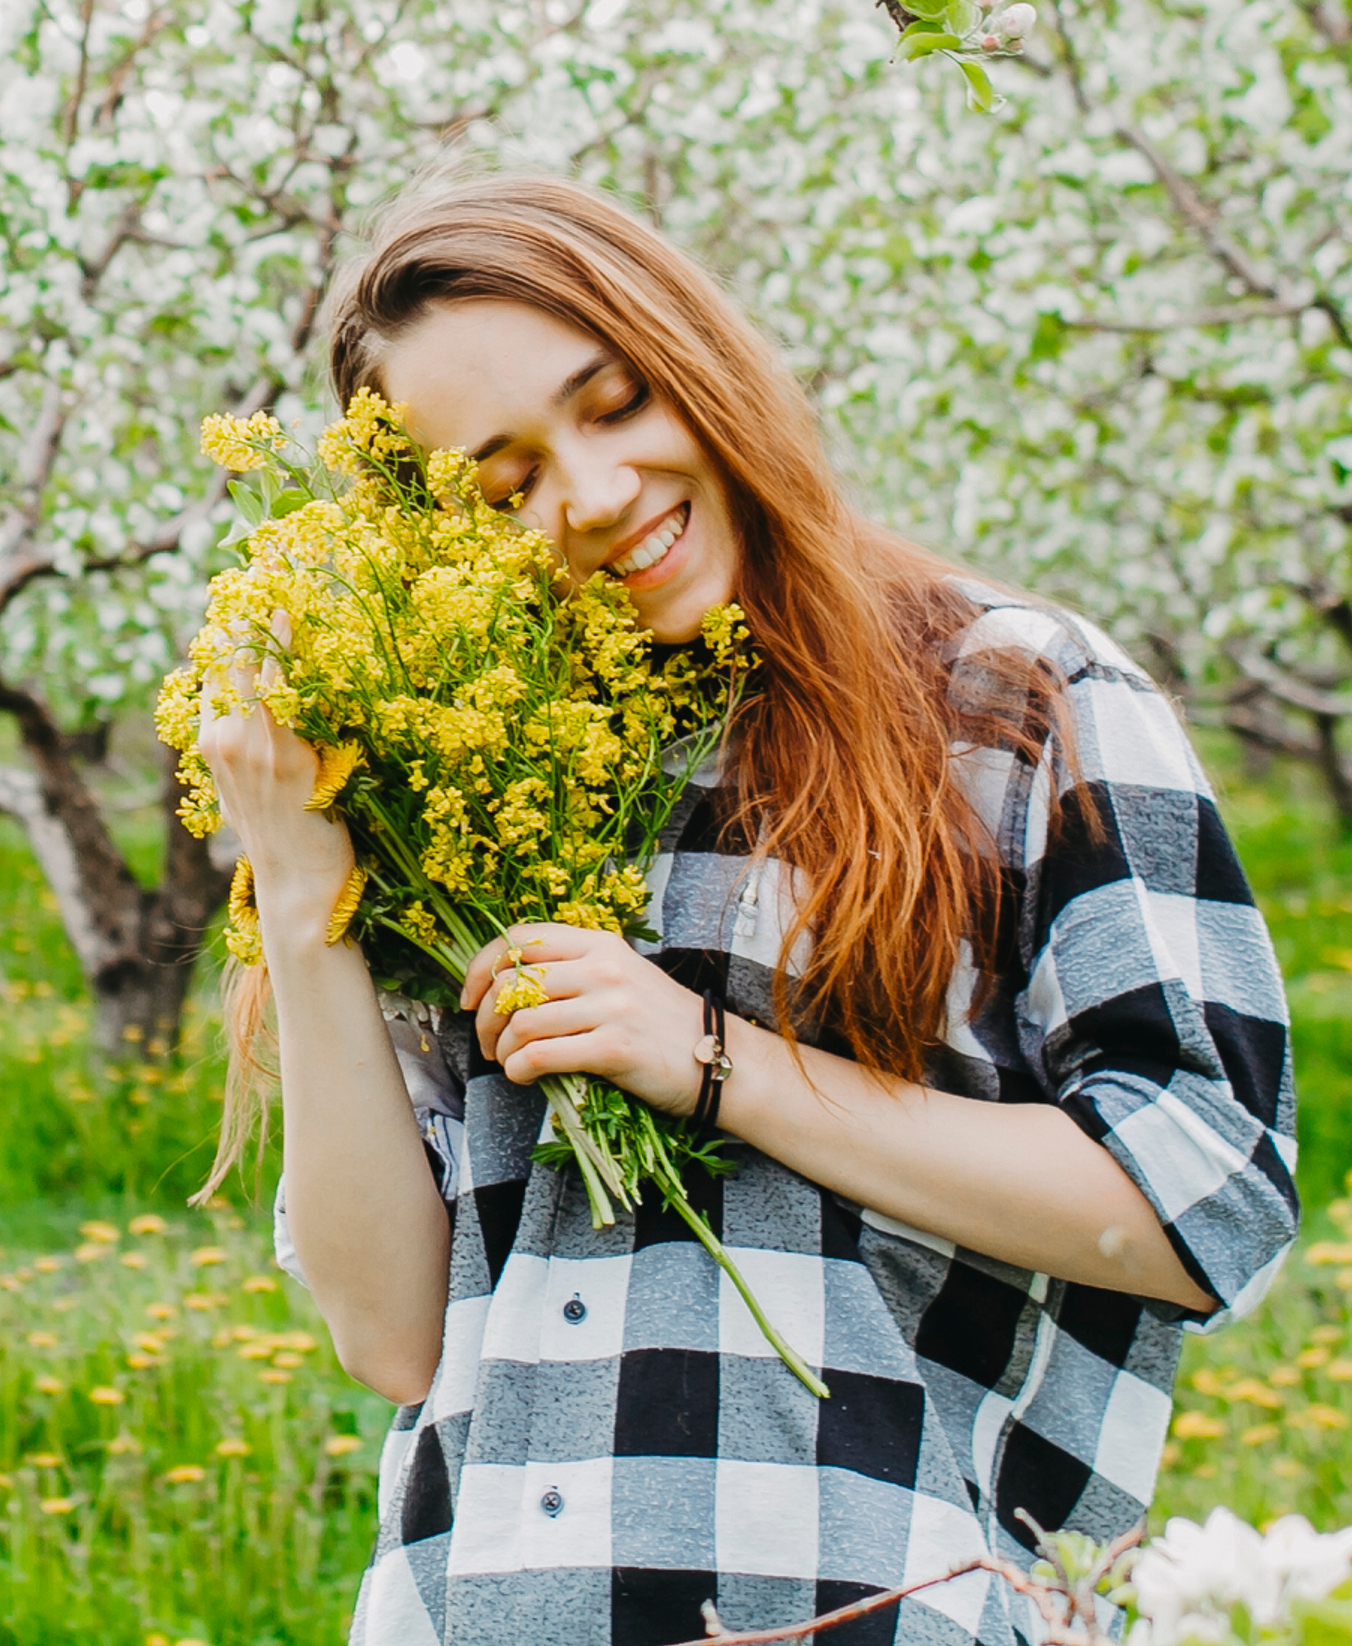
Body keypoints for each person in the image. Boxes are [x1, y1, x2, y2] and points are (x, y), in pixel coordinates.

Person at [195, 173, 1297, 1646]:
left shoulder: (1016, 703)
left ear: (698, 358)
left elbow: (1205, 1203)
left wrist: (717, 1064)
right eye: (506, 484)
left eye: (615, 401)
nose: (590, 497)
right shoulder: (446, 790)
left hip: (891, 1607)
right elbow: (392, 1335)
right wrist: (304, 882)